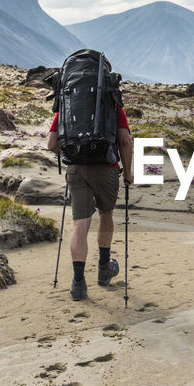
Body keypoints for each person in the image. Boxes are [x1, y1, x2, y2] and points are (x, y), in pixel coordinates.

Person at [47, 100, 134, 302]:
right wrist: (128, 172)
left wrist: (73, 153)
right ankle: (104, 269)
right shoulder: (113, 103)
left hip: (77, 170)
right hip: (106, 168)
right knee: (106, 214)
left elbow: (51, 144)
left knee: (80, 224)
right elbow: (125, 141)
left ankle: (78, 283)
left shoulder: (68, 102)